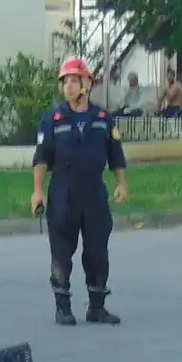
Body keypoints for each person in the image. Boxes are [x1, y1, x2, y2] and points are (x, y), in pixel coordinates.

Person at [30, 57, 130, 326]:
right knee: (61, 252)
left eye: (75, 80)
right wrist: (37, 191)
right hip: (63, 193)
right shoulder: (53, 119)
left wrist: (121, 183)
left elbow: (116, 155)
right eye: (65, 81)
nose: (69, 86)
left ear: (87, 83)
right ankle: (63, 307)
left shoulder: (102, 119)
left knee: (97, 252)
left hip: (94, 194)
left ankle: (96, 307)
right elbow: (41, 158)